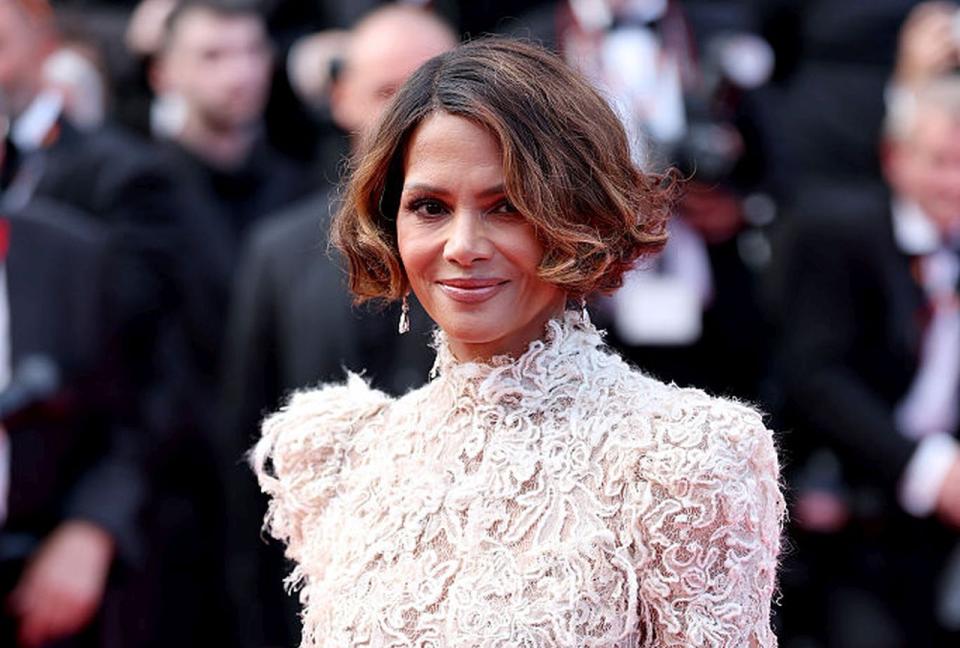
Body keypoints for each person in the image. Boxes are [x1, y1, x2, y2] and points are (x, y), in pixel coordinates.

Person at [252, 37, 785, 647]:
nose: (462, 246)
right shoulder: (336, 455)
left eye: (505, 206)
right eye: (429, 207)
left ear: (577, 218)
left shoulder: (684, 460)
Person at [220, 6, 455, 646]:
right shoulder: (278, 253)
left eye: (433, 89)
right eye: (388, 91)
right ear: (340, 98)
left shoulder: (517, 251)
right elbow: (247, 450)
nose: (411, 114)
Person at [771, 76, 960, 646]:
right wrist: (931, 472)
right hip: (850, 513)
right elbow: (815, 378)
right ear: (894, 158)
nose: (956, 182)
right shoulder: (839, 235)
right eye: (941, 162)